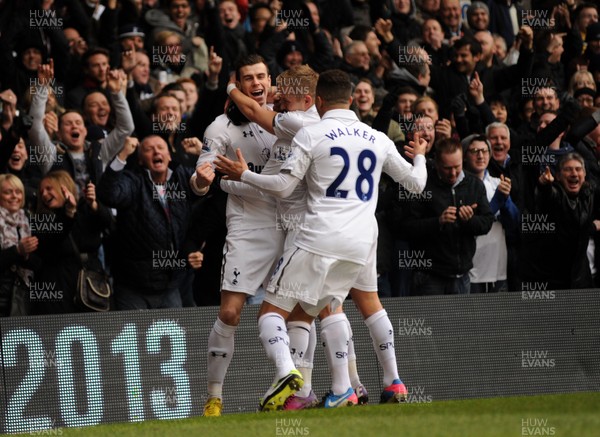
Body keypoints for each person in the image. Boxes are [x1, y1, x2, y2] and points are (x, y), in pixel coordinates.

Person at [215, 69, 428, 410]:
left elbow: (283, 186)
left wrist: (244, 175)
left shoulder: (312, 133)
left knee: (271, 312)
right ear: (352, 97)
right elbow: (416, 184)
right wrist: (418, 155)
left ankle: (290, 376)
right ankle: (374, 384)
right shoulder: (377, 137)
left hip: (318, 236)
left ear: (321, 100)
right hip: (362, 240)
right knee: (322, 309)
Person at [190, 54, 280, 417]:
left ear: (270, 79)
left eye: (261, 76)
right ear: (238, 85)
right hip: (247, 227)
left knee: (314, 307)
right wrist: (202, 180)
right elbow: (201, 174)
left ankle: (324, 386)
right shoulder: (219, 128)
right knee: (230, 313)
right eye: (248, 78)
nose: (256, 83)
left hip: (289, 223)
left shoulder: (284, 117)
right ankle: (214, 397)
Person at [97, 136, 197, 309]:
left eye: (160, 147)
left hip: (170, 286)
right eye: (149, 149)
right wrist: (122, 155)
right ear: (141, 160)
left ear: (169, 156)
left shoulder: (181, 177)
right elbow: (108, 194)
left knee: (175, 336)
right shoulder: (133, 181)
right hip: (133, 287)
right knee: (132, 336)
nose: (156, 151)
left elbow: (218, 182)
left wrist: (204, 151)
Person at [401, 138, 494, 295]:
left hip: (462, 275)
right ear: (436, 164)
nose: (453, 173)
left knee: (460, 320)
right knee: (431, 320)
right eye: (447, 168)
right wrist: (438, 222)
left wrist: (469, 221)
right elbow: (406, 228)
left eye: (457, 167)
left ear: (463, 160)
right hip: (429, 276)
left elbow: (487, 222)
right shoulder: (422, 185)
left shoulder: (475, 184)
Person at [33, 170, 111, 314]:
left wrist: (94, 204)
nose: (44, 194)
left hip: (91, 283)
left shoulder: (85, 207)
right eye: (41, 191)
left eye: (49, 188)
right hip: (59, 286)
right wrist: (69, 213)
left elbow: (108, 222)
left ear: (64, 186)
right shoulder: (41, 220)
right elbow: (54, 239)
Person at [462, 135, 519, 293]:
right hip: (471, 269)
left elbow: (514, 223)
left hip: (497, 267)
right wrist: (498, 199)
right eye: (475, 151)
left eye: (484, 151)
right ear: (464, 156)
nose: (480, 155)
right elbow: (477, 222)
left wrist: (506, 201)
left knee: (499, 317)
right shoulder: (460, 185)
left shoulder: (498, 183)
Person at [0, 174, 39, 316]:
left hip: (23, 295)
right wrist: (17, 251)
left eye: (18, 192)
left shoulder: (28, 220)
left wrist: (25, 255)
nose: (14, 196)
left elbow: (38, 263)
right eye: (7, 192)